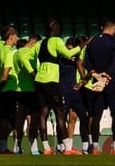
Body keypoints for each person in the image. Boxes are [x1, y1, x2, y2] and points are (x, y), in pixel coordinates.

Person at [34, 20, 83, 155]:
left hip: (39, 80)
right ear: (53, 28)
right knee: (60, 112)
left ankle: (46, 148)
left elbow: (30, 56)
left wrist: (33, 71)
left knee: (43, 113)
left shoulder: (40, 43)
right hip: (51, 81)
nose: (60, 28)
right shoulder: (56, 40)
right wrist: (82, 45)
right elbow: (68, 54)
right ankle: (67, 148)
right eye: (58, 26)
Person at [81, 19, 115, 155]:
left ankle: (94, 147)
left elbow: (86, 62)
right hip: (111, 81)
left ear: (103, 28)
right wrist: (106, 76)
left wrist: (95, 74)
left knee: (96, 114)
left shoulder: (93, 41)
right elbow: (114, 61)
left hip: (96, 80)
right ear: (113, 29)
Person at [0, 26, 20, 155]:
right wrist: (0, 89)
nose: (17, 39)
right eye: (16, 36)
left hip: (2, 90)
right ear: (11, 37)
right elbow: (5, 74)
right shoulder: (9, 52)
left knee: (1, 119)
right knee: (8, 121)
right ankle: (1, 148)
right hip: (9, 89)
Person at [58, 34, 91, 154]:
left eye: (72, 49)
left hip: (75, 92)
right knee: (62, 118)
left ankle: (85, 147)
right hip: (64, 91)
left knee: (82, 117)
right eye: (68, 49)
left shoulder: (78, 59)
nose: (70, 52)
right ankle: (62, 146)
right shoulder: (60, 60)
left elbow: (80, 63)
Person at [13, 34, 43, 155]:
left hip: (20, 90)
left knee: (20, 120)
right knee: (34, 120)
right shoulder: (27, 53)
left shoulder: (16, 54)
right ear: (33, 43)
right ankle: (33, 148)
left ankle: (17, 146)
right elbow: (32, 70)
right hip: (30, 90)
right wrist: (37, 77)